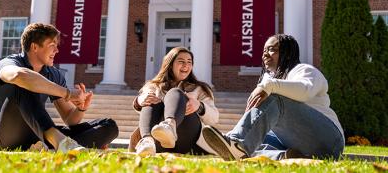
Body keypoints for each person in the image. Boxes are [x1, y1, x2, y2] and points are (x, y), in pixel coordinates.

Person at [202, 34, 344, 160]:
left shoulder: (305, 70)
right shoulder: (272, 81)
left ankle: (236, 142)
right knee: (255, 138)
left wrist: (269, 85)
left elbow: (305, 91)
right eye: (264, 51)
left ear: (287, 53)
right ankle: (284, 156)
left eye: (272, 49)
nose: (265, 54)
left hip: (330, 140)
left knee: (276, 98)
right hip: (299, 143)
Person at [0, 23, 118, 152]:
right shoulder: (8, 63)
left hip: (38, 137)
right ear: (34, 47)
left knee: (109, 126)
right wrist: (67, 93)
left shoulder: (53, 74)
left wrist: (80, 109)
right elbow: (18, 75)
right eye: (52, 46)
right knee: (25, 82)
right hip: (6, 138)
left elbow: (69, 119)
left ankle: (52, 147)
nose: (56, 50)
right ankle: (60, 143)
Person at [130, 46, 219, 156]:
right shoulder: (154, 86)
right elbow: (146, 108)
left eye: (189, 62)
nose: (186, 65)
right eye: (181, 61)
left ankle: (169, 126)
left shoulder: (200, 88)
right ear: (170, 64)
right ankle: (147, 142)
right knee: (151, 100)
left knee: (175, 93)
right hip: (158, 140)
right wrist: (140, 100)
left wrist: (199, 106)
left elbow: (214, 118)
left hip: (187, 137)